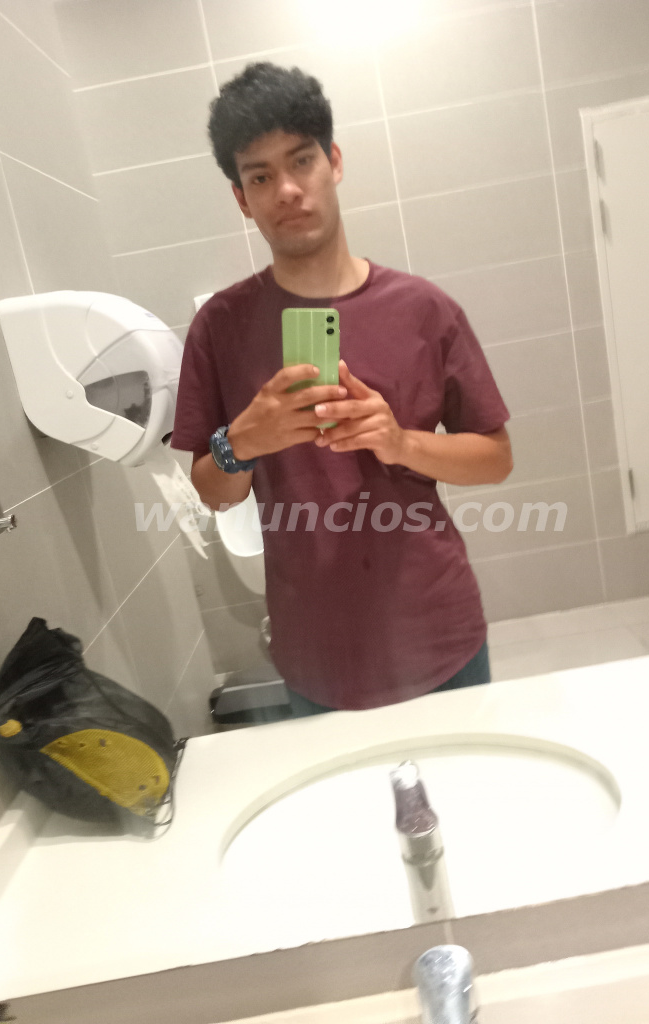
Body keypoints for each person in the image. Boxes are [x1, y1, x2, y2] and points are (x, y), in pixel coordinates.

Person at [171, 62, 512, 717]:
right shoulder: (220, 327)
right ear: (241, 198)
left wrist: (399, 441)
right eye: (260, 176)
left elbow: (496, 458)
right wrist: (243, 441)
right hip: (317, 657)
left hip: (439, 635)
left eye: (301, 161)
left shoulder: (424, 309)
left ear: (334, 162)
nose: (286, 190)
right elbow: (212, 493)